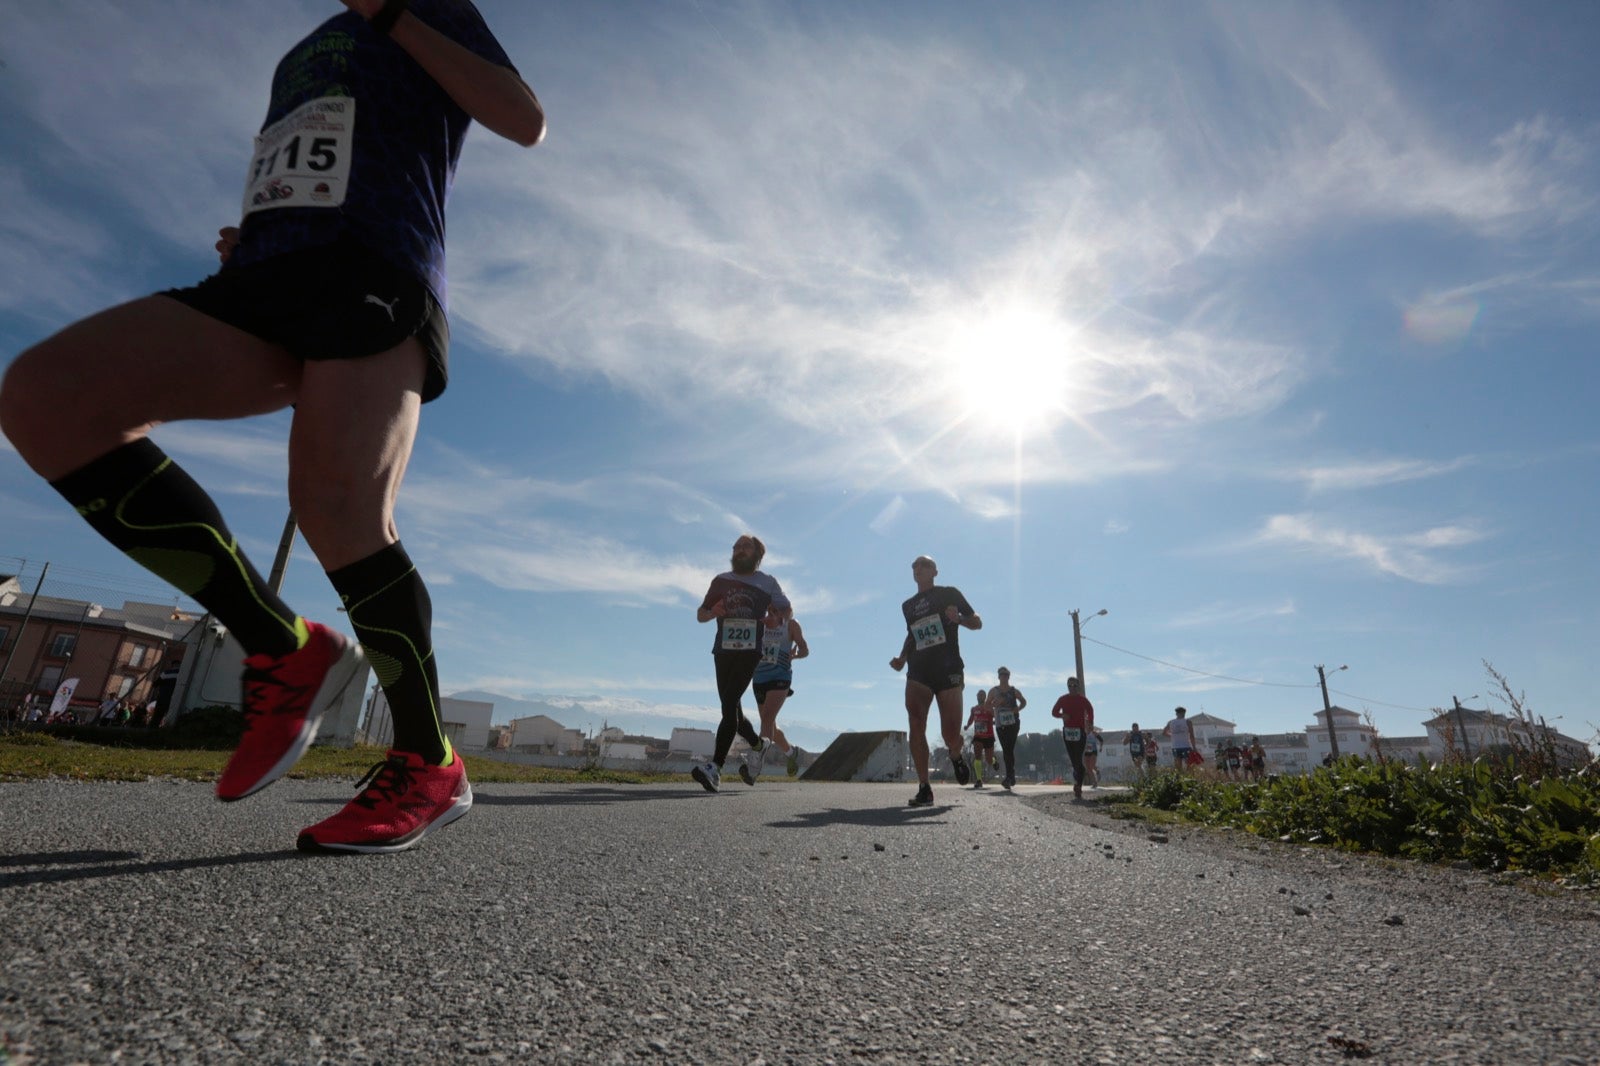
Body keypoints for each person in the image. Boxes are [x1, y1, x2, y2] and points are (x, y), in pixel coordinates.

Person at [0, 1, 545, 854]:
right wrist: (261, 230)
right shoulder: (301, 50)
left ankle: (428, 759)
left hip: (375, 268)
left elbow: (523, 118)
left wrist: (395, 15)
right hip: (262, 278)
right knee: (44, 394)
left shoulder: (422, 6)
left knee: (339, 514)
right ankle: (279, 646)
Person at [695, 535, 788, 793]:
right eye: (735, 547)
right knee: (730, 705)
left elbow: (785, 610)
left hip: (750, 650)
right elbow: (700, 614)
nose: (739, 550)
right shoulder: (720, 581)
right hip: (722, 650)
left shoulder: (767, 583)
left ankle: (715, 767)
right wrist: (713, 611)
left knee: (730, 702)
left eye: (745, 546)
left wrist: (775, 619)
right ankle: (758, 745)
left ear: (758, 554)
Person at [889, 555, 981, 807]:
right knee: (915, 721)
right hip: (918, 670)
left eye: (924, 565)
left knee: (950, 734)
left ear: (935, 571)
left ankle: (955, 753)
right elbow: (912, 635)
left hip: (948, 668)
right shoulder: (907, 606)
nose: (918, 568)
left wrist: (959, 619)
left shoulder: (949, 593)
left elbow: (977, 622)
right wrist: (902, 658)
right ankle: (924, 788)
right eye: (914, 566)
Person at [739, 605, 808, 786]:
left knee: (767, 719)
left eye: (778, 609)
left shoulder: (791, 625)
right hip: (759, 678)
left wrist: (795, 656)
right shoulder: (761, 623)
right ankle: (791, 753)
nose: (772, 612)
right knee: (771, 727)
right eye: (770, 608)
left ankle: (753, 769)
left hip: (781, 677)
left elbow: (805, 650)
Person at [1050, 677, 1094, 800]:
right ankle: (1080, 775)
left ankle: (1078, 786)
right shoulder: (1063, 699)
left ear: (1078, 687)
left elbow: (1090, 710)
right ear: (1067, 687)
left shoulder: (1082, 700)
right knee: (1074, 760)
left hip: (1080, 732)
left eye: (1075, 686)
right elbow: (1053, 712)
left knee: (1077, 758)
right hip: (1068, 732)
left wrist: (1090, 723)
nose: (1072, 688)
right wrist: (1061, 715)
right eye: (1070, 686)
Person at [988, 666, 1027, 790]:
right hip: (1000, 724)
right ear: (998, 676)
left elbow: (1024, 701)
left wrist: (1017, 708)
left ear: (1008, 677)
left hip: (1013, 722)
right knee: (1006, 749)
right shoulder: (994, 691)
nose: (1003, 677)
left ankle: (1009, 777)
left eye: (1005, 674)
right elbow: (986, 705)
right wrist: (993, 709)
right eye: (1001, 674)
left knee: (1009, 748)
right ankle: (1011, 776)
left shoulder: (1014, 691)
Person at [964, 688, 996, 789]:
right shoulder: (974, 709)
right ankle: (979, 780)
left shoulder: (990, 707)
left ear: (985, 697)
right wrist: (967, 725)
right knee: (977, 756)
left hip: (989, 736)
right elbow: (971, 718)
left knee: (989, 760)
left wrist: (993, 718)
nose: (980, 696)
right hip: (978, 736)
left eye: (982, 695)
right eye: (979, 694)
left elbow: (996, 716)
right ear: (977, 697)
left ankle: (994, 762)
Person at [1165, 706, 1198, 772]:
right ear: (1184, 713)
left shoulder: (1170, 722)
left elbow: (1164, 733)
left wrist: (1173, 736)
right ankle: (1187, 776)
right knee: (1190, 764)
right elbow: (1191, 735)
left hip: (1175, 746)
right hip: (1186, 745)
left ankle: (1180, 779)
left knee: (1178, 766)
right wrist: (1194, 747)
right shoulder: (1187, 722)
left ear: (1176, 713)